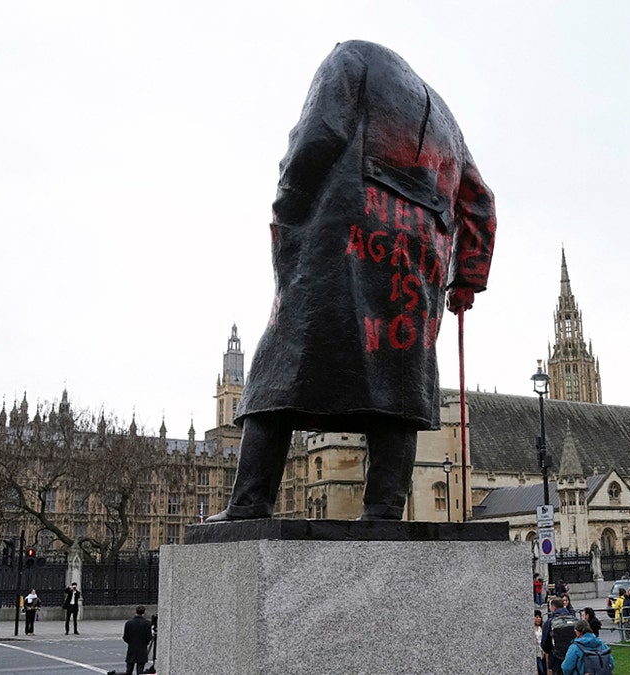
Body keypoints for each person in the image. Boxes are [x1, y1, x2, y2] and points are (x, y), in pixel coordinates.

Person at [204, 40, 496, 524]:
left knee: (283, 363)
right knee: (401, 379)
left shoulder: (350, 60)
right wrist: (466, 277)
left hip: (343, 228)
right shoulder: (447, 119)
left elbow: (317, 136)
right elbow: (480, 203)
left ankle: (250, 501)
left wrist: (288, 209)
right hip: (421, 257)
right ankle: (383, 508)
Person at [542, 596, 578, 675]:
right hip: (574, 657)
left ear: (553, 607)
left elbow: (545, 644)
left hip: (557, 659)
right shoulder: (574, 619)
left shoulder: (550, 622)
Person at [123, 605, 154, 675]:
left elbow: (125, 637)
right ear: (144, 613)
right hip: (142, 648)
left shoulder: (128, 623)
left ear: (135, 612)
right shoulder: (147, 623)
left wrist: (130, 642)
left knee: (129, 670)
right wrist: (145, 642)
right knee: (140, 671)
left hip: (132, 648)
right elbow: (149, 637)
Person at [534, 611, 547, 675]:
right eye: (536, 617)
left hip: (542, 650)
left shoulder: (541, 628)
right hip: (536, 650)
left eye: (539, 617)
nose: (538, 619)